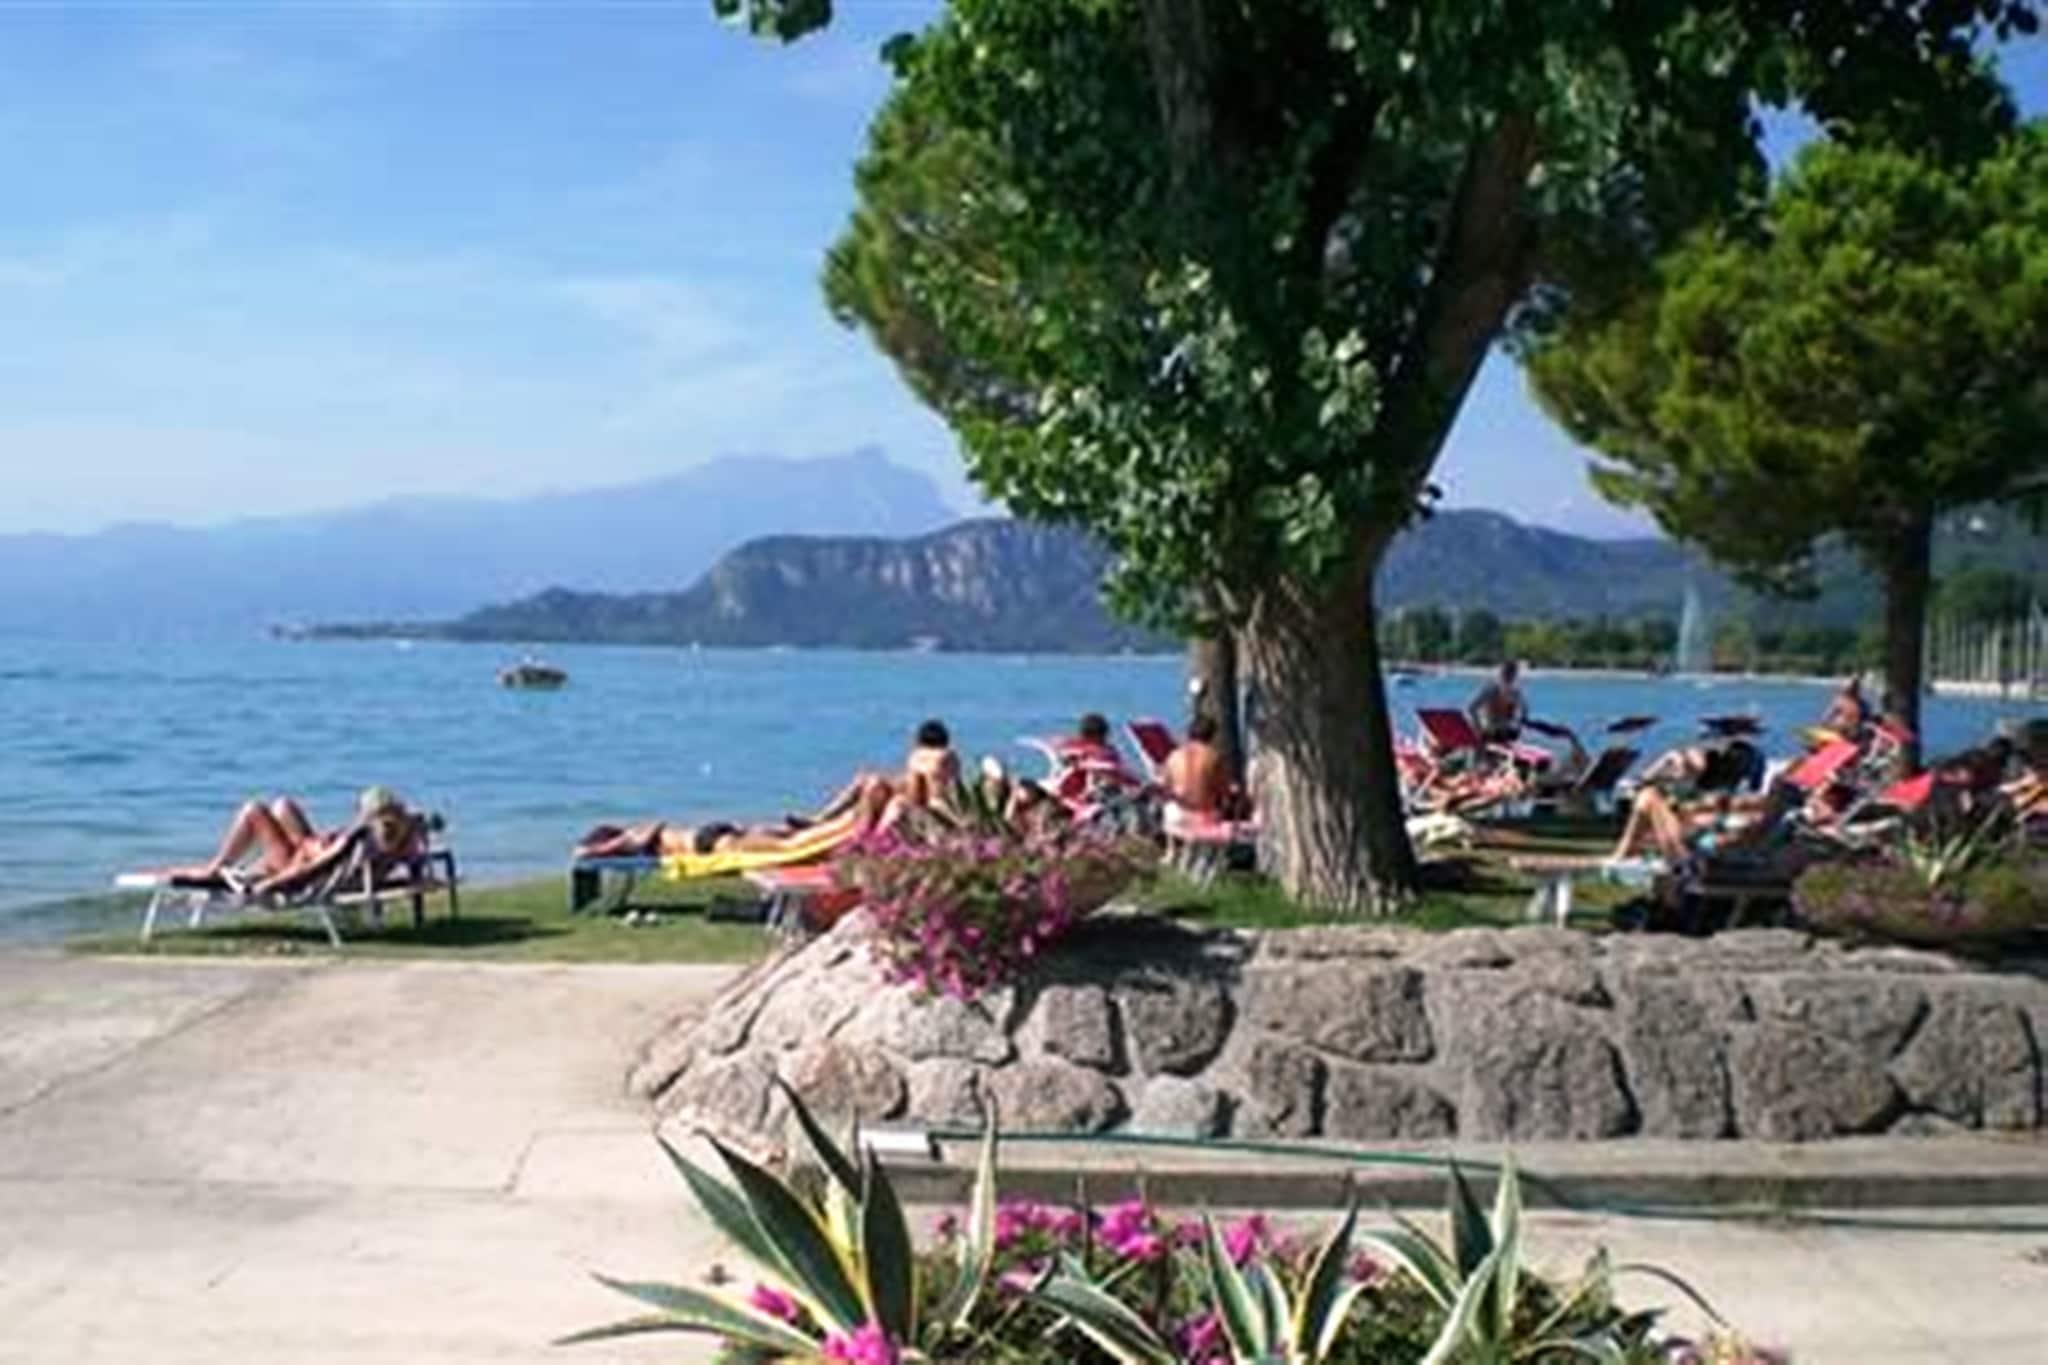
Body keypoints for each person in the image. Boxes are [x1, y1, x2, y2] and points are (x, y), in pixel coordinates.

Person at [576, 776, 895, 860]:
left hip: (710, 842)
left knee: (789, 847)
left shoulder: (634, 835)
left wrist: (591, 849)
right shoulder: (643, 832)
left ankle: (856, 822)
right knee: (793, 841)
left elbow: (592, 851)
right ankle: (851, 818)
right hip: (717, 832)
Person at [175, 787, 423, 894]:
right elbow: (415, 855)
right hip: (313, 855)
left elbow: (312, 869)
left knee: (254, 811)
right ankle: (256, 867)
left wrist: (269, 885)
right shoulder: (403, 834)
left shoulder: (354, 841)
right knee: (283, 806)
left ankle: (215, 867)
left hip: (297, 868)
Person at [1163, 713, 1228, 816]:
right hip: (1203, 813)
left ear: (1189, 734)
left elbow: (1166, 788)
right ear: (1211, 736)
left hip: (1177, 815)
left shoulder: (1173, 756)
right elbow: (1222, 789)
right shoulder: (1213, 756)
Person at [1468, 662, 1527, 744]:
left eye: (1511, 674)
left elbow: (1524, 712)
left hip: (1507, 732)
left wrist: (1518, 727)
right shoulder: (1491, 689)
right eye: (1507, 673)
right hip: (1491, 731)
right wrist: (1479, 728)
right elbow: (1471, 708)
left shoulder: (1516, 692)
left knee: (1511, 731)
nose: (1509, 676)